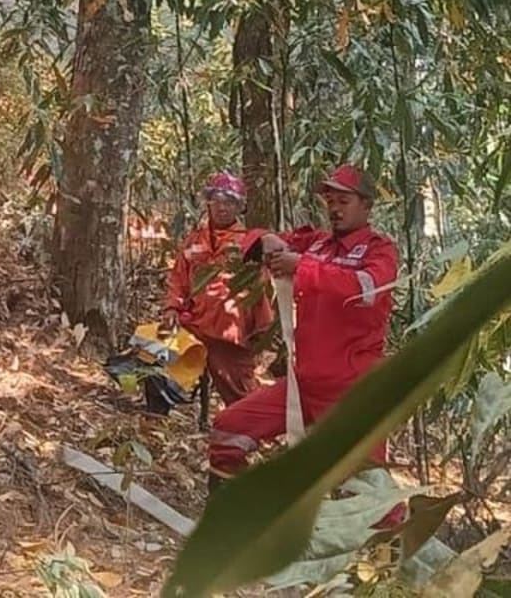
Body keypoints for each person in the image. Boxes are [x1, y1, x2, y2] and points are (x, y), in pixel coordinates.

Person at [208, 164, 398, 490]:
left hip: (352, 392)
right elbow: (253, 241)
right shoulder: (317, 243)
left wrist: (303, 268)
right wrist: (265, 239)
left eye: (343, 201)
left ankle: (389, 541)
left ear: (366, 206)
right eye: (330, 202)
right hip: (303, 386)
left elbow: (367, 288)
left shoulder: (379, 250)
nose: (335, 209)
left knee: (370, 489)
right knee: (228, 430)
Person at [163, 173, 273, 408]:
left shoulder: (249, 242)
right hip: (193, 325)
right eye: (217, 201)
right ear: (209, 202)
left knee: (241, 399)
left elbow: (258, 288)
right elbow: (178, 278)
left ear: (239, 207)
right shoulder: (195, 239)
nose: (222, 207)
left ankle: (253, 438)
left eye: (230, 202)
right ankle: (153, 424)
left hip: (229, 335)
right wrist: (172, 308)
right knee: (153, 362)